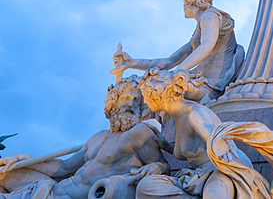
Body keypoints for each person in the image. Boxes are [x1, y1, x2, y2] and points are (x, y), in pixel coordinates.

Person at [135, 70, 273, 199]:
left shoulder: (195, 113)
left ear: (156, 96)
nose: (144, 102)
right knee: (145, 187)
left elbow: (215, 139)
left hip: (223, 171)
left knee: (213, 195)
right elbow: (185, 150)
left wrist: (219, 143)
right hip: (198, 176)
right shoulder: (177, 117)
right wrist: (164, 144)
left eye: (145, 96)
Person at [0, 78, 168, 199]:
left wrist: (157, 167)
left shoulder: (139, 132)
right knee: (3, 175)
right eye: (125, 98)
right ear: (113, 103)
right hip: (53, 189)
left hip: (80, 195)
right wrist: (24, 158)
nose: (130, 104)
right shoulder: (98, 137)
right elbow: (64, 168)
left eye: (136, 100)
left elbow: (163, 165)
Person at [114, 0, 243, 102]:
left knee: (154, 91)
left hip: (212, 82)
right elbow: (171, 61)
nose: (183, 6)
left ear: (192, 2)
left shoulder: (210, 16)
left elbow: (207, 46)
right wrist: (131, 62)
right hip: (202, 77)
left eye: (184, 2)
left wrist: (174, 76)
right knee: (149, 89)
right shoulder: (199, 31)